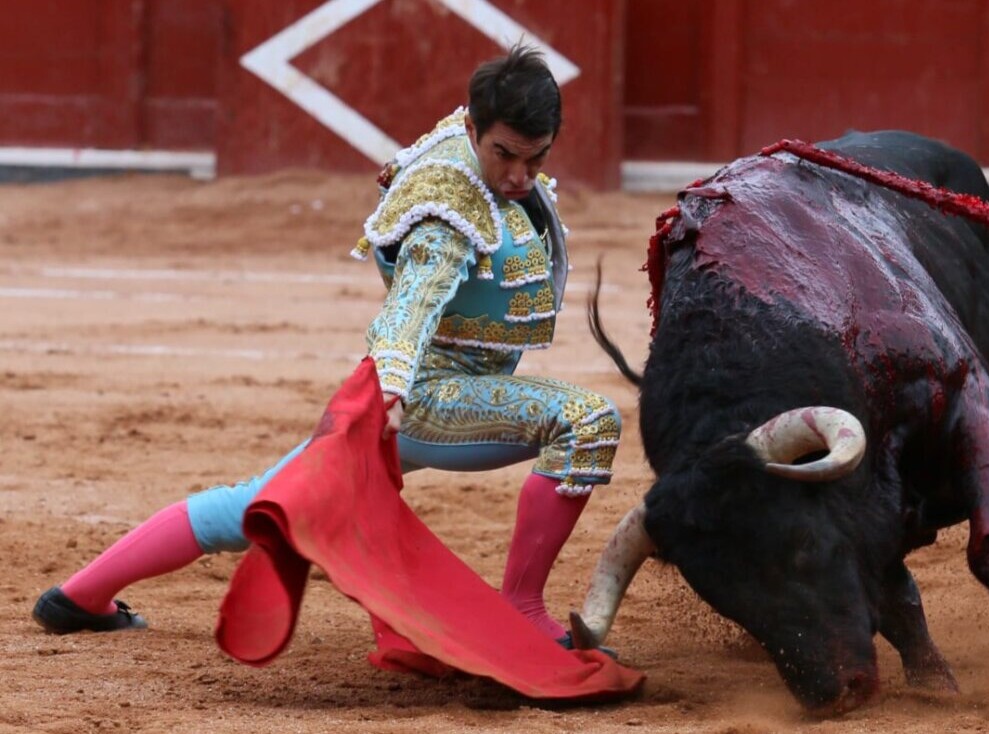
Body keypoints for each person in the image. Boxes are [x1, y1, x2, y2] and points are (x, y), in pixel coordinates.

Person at [32, 44, 621, 649]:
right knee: (587, 422)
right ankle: (522, 608)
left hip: (432, 388)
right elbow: (408, 311)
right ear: (472, 129)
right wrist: (392, 388)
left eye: (536, 157)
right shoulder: (449, 211)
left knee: (262, 505)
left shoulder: (469, 143)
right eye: (504, 155)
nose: (520, 177)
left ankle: (78, 596)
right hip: (423, 393)